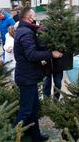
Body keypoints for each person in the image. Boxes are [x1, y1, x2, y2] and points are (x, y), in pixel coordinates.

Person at [14, 7, 63, 141]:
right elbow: (31, 54)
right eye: (34, 16)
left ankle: (35, 135)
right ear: (29, 17)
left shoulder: (26, 30)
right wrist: (50, 54)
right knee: (25, 110)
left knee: (34, 108)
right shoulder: (25, 33)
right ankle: (11, 135)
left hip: (30, 76)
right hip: (26, 78)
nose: (35, 18)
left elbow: (32, 49)